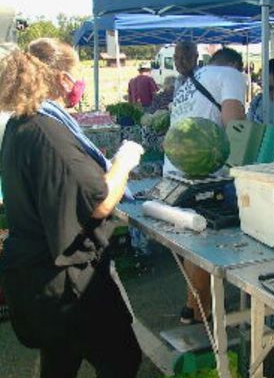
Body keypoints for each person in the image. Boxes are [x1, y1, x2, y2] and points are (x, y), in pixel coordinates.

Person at [0, 38, 143, 377]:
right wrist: (124, 161)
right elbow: (99, 201)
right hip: (68, 282)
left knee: (60, 361)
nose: (76, 84)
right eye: (74, 75)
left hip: (41, 280)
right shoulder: (46, 131)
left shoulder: (22, 125)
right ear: (60, 78)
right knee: (121, 360)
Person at [169, 42, 245, 325]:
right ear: (233, 66)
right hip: (206, 175)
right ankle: (201, 308)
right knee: (207, 241)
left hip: (177, 168)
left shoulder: (193, 80)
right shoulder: (231, 75)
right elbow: (235, 125)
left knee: (194, 240)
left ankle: (192, 306)